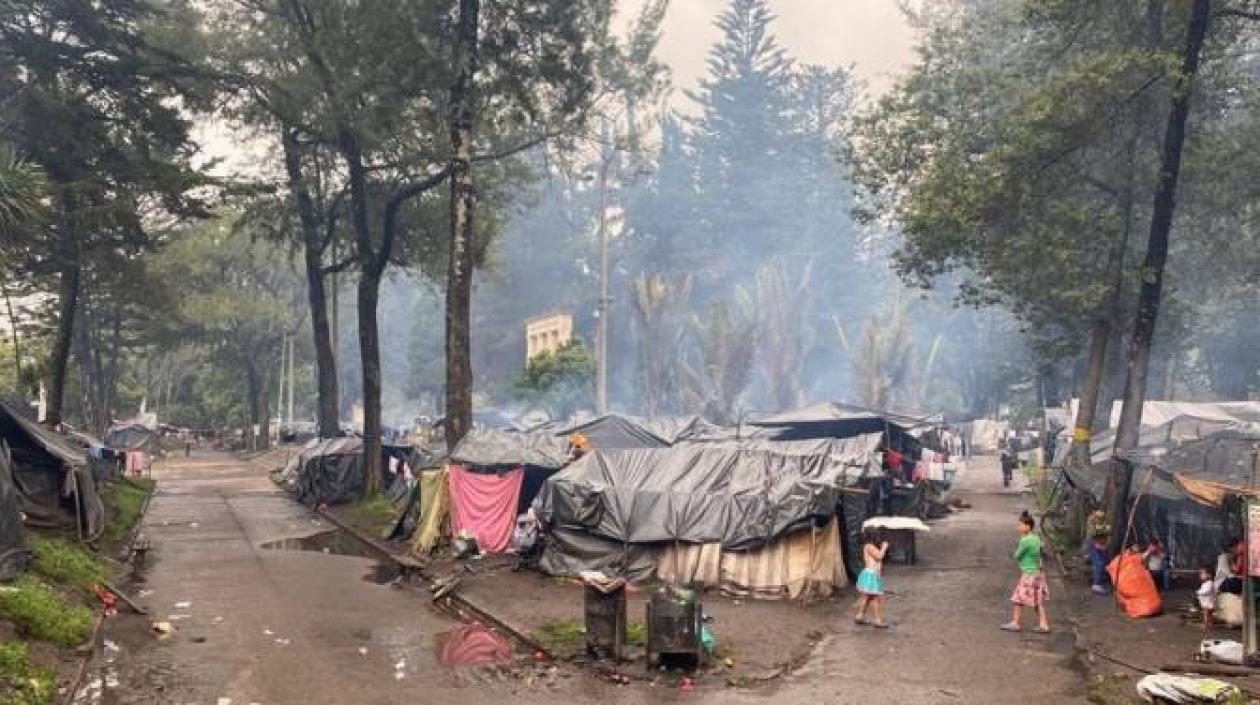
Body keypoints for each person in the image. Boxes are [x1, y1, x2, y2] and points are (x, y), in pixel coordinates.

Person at [1002, 512, 1051, 634]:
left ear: (1028, 526)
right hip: (1038, 573)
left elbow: (1017, 555)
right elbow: (1040, 550)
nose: (1019, 527)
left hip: (1028, 574)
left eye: (1021, 525)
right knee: (1037, 600)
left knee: (1018, 598)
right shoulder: (1036, 538)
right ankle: (1043, 624)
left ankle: (1015, 623)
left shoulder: (1025, 541)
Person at [854, 528, 891, 629]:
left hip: (873, 575)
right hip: (870, 575)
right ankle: (878, 620)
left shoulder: (870, 546)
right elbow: (879, 556)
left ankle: (860, 616)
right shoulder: (869, 546)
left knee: (868, 597)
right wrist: (884, 547)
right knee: (875, 597)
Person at [1198, 565, 1217, 633]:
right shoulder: (1209, 583)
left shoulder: (1209, 583)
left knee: (1206, 615)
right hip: (1209, 602)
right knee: (1209, 615)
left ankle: (1205, 626)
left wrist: (1198, 592)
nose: (1201, 575)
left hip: (1207, 603)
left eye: (1203, 573)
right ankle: (1209, 625)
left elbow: (1205, 591)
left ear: (1209, 575)